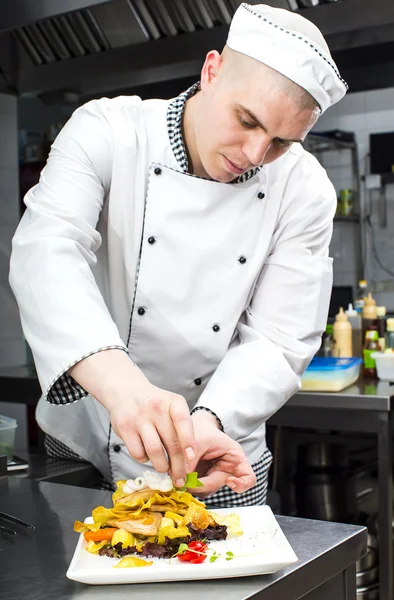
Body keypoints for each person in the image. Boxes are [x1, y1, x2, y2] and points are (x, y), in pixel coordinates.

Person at [9, 3, 347, 506]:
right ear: (211, 71)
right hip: (86, 440)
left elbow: (280, 339)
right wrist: (125, 392)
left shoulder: (305, 190)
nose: (254, 155)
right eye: (247, 120)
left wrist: (206, 423)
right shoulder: (107, 131)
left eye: (281, 142)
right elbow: (48, 251)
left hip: (216, 454)